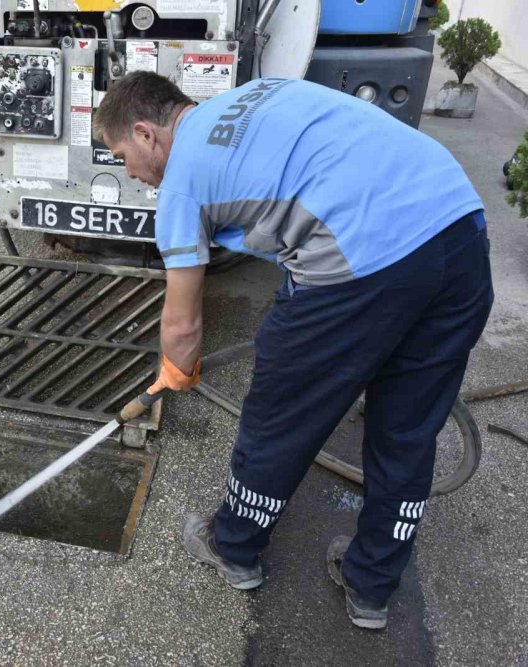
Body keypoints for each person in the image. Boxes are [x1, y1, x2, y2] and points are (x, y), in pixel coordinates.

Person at [93, 72, 493, 630]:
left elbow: (182, 325)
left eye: (122, 156)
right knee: (408, 428)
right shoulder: (258, 92)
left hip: (363, 257)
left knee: (279, 414)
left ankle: (233, 546)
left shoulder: (181, 182)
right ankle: (371, 586)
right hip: (460, 229)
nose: (131, 173)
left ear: (145, 133)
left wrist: (176, 373)